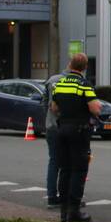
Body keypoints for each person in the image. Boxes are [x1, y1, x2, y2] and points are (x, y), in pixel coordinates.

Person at [50, 53, 101, 222]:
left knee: (64, 169)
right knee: (79, 170)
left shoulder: (61, 83)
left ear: (70, 65)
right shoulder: (84, 84)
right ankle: (74, 210)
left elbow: (54, 107)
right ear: (85, 67)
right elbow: (94, 108)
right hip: (79, 130)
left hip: (62, 128)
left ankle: (63, 211)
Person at [42, 69, 65, 208]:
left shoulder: (51, 80)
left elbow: (45, 102)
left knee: (54, 162)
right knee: (67, 163)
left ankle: (51, 196)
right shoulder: (72, 82)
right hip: (65, 126)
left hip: (51, 126)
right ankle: (65, 196)